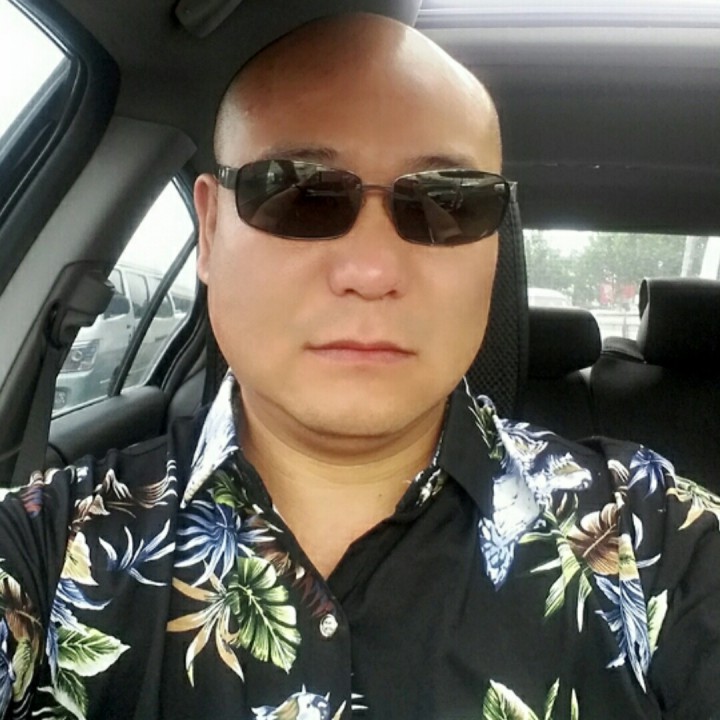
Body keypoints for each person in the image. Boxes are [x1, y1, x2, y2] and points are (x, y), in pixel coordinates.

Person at [0, 11, 718, 720]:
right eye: (299, 192)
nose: (371, 270)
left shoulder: (654, 536)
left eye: (446, 202)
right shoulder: (49, 542)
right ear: (211, 229)